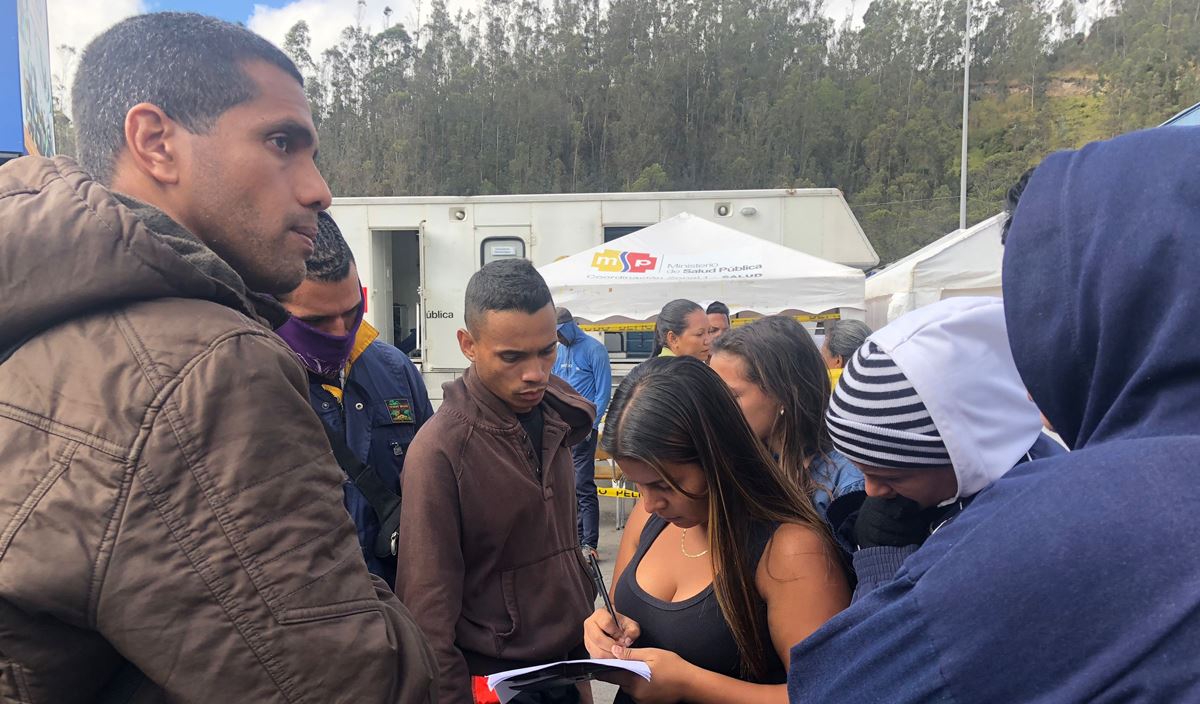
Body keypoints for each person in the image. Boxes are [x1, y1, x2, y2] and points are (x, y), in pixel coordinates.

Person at [0, 12, 434, 703]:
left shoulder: (48, 319)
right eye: (282, 142)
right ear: (156, 143)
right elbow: (350, 684)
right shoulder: (203, 366)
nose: (319, 189)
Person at [790, 127, 1200, 701]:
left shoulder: (1054, 521)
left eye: (1033, 298)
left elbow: (838, 687)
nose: (874, 490)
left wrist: (884, 565)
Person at [584, 356, 849, 704]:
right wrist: (604, 630)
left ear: (718, 457)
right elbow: (622, 615)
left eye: (665, 484)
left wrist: (689, 683)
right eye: (638, 485)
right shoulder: (650, 518)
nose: (649, 503)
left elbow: (826, 695)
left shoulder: (792, 550)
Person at [396, 259, 597, 704]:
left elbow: (564, 555)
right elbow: (427, 612)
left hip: (565, 670)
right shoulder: (439, 452)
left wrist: (580, 672)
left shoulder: (560, 417)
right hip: (492, 684)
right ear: (468, 345)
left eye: (547, 351)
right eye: (512, 356)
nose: (536, 373)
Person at [823, 297, 1062, 601]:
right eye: (863, 471)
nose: (871, 490)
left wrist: (882, 566)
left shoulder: (1008, 533)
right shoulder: (1006, 470)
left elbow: (899, 628)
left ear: (962, 455)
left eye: (891, 477)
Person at [276, 211, 434, 588]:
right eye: (315, 322)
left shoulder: (396, 371)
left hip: (397, 601)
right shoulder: (255, 385)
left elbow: (435, 494)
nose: (339, 333)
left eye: (351, 313)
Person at [710, 316, 864, 519]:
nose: (717, 407)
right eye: (714, 395)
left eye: (731, 396)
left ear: (783, 393)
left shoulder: (846, 482)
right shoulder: (743, 464)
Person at [553, 307, 612, 560]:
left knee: (583, 484)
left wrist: (591, 424)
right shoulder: (558, 351)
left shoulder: (594, 349)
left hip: (584, 429)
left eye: (559, 332)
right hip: (561, 429)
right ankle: (573, 541)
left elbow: (603, 392)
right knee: (564, 485)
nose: (557, 337)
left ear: (570, 325)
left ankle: (589, 543)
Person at [819, 318, 871, 388]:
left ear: (838, 361)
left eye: (822, 356)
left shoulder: (820, 389)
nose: (820, 361)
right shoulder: (880, 383)